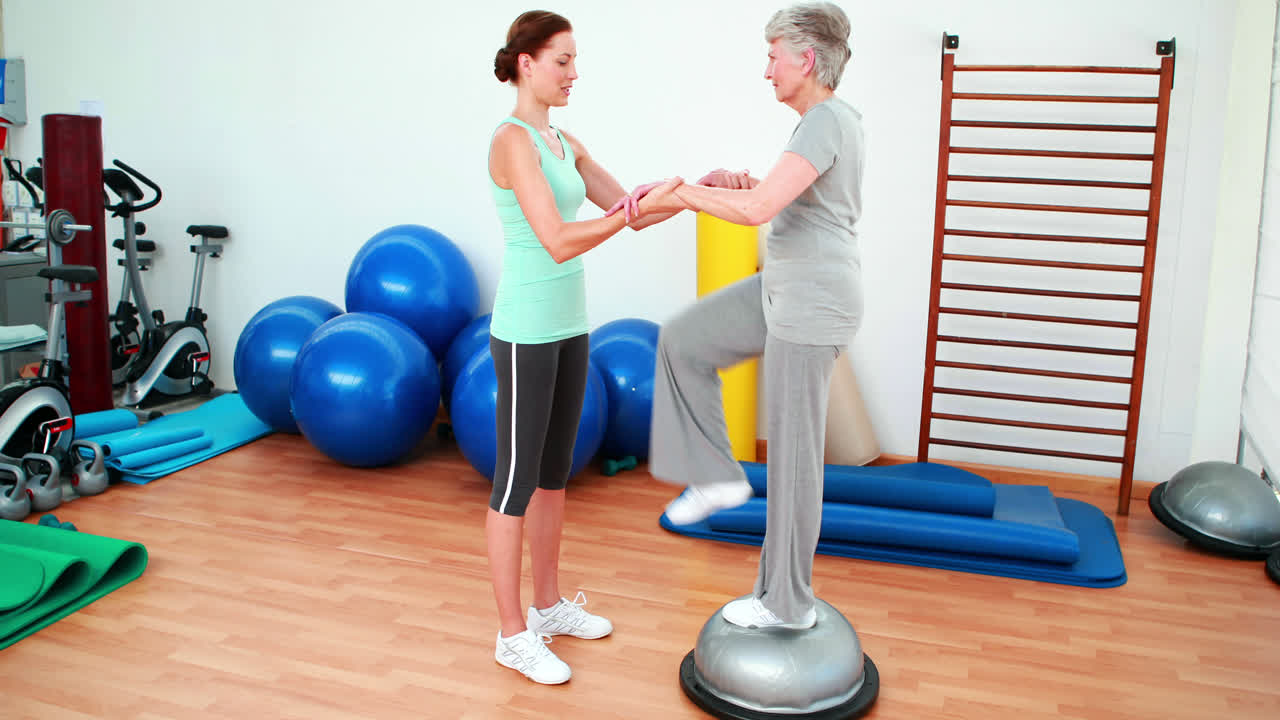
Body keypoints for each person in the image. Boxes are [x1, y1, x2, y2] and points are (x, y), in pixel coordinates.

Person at [623, 1, 864, 631]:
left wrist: (682, 192)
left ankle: (787, 605)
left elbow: (760, 211)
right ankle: (714, 477)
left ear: (804, 59)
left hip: (810, 302)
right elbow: (779, 201)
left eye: (772, 56)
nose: (767, 71)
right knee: (684, 340)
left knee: (792, 457)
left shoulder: (825, 120)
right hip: (783, 287)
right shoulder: (821, 123)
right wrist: (735, 185)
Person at [484, 10, 681, 685]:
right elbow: (558, 239)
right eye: (563, 60)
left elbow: (629, 204)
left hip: (570, 326)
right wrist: (621, 218)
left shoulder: (562, 141)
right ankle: (511, 635)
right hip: (525, 332)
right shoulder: (513, 141)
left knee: (553, 478)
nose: (574, 73)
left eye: (575, 60)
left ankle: (546, 607)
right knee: (514, 485)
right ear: (526, 64)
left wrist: (691, 190)